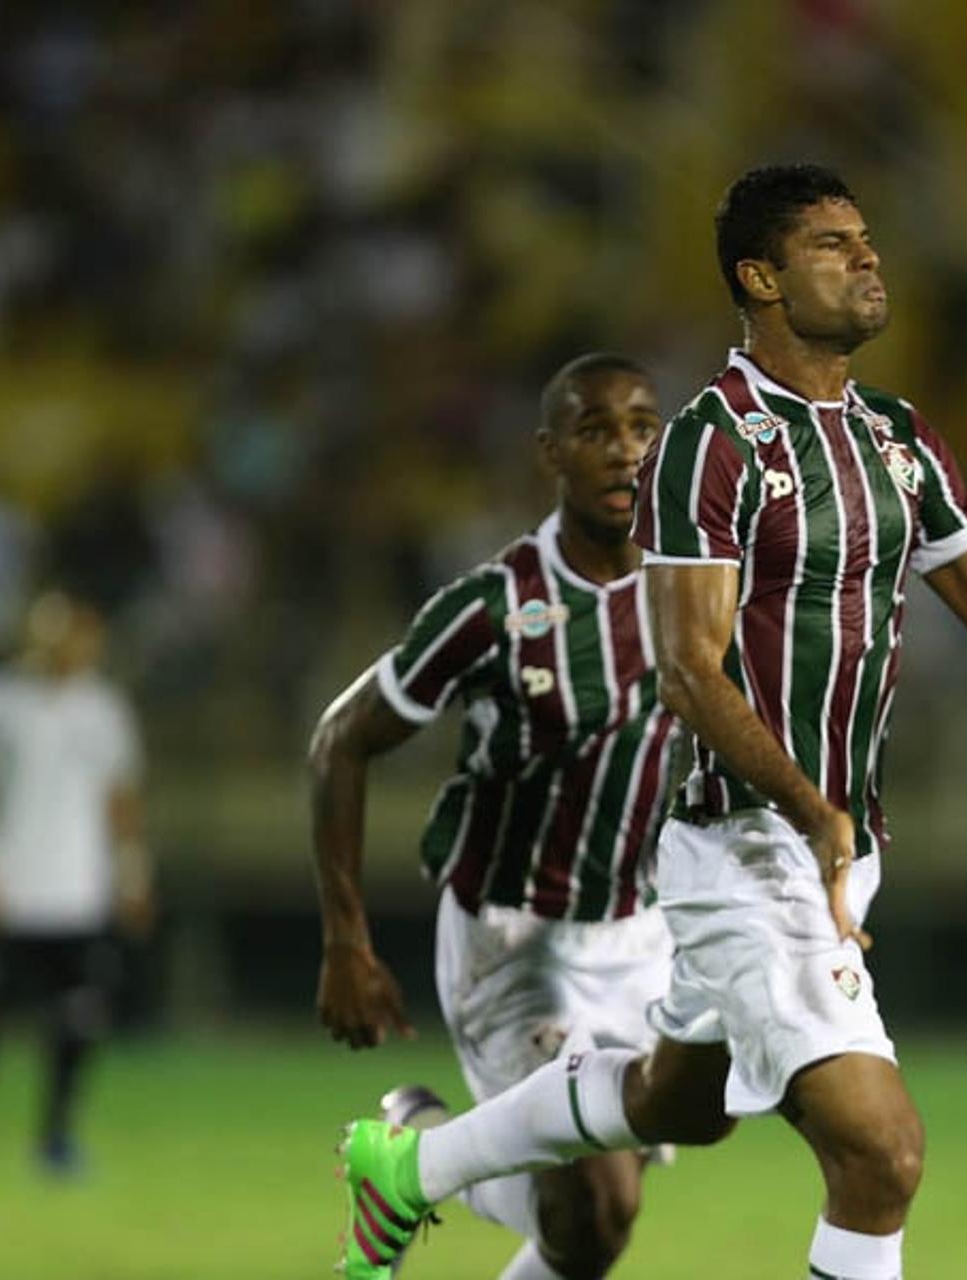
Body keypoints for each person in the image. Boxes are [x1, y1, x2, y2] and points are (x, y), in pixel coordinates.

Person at [331, 165, 967, 1280]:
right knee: (883, 1152)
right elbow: (688, 667)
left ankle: (414, 1166)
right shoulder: (710, 444)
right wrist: (804, 804)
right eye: (834, 243)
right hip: (745, 842)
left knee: (675, 1102)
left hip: (835, 842)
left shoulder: (894, 437)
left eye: (867, 238)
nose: (869, 257)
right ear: (761, 275)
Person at [312, 354, 680, 1280]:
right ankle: (416, 1154)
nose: (625, 451)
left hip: (646, 930)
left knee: (592, 1231)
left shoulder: (697, 590)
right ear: (550, 452)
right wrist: (346, 941)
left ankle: (421, 1147)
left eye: (643, 427)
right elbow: (340, 743)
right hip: (515, 941)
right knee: (597, 1204)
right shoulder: (495, 606)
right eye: (597, 430)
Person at [0, 589, 150, 1178]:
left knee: (77, 1021)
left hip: (76, 893)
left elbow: (120, 798)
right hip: (7, 889)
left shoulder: (104, 710)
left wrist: (132, 873)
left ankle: (55, 1138)